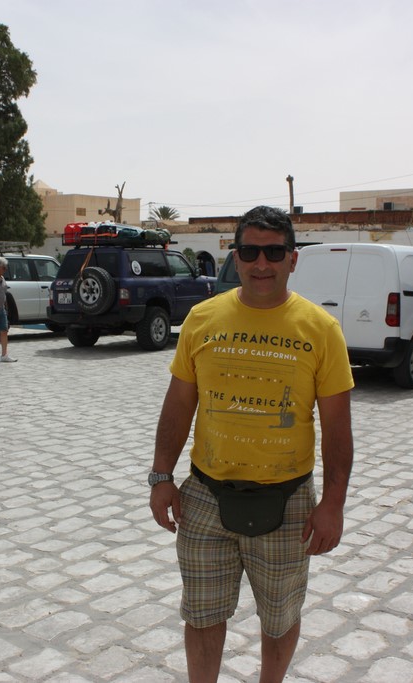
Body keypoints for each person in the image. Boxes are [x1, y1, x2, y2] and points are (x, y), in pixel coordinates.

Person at [149, 205, 355, 682]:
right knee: (202, 616)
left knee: (280, 618)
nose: (262, 263)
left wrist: (333, 504)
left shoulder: (321, 330)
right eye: (250, 252)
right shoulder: (202, 319)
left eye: (275, 252)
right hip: (204, 498)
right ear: (236, 258)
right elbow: (179, 404)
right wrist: (161, 476)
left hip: (287, 504)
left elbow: (337, 428)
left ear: (292, 259)